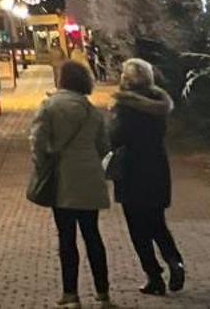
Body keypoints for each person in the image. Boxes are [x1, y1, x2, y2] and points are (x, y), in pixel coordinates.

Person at [31, 58, 113, 307]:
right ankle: (103, 292)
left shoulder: (50, 106)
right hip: (89, 178)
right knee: (93, 235)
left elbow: (37, 141)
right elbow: (104, 146)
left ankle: (71, 293)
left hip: (62, 179)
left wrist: (42, 162)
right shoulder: (92, 110)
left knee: (66, 237)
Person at [110, 57, 185, 295]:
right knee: (157, 222)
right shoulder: (159, 104)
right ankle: (174, 260)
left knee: (137, 228)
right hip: (157, 166)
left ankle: (154, 276)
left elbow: (115, 137)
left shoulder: (125, 107)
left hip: (131, 169)